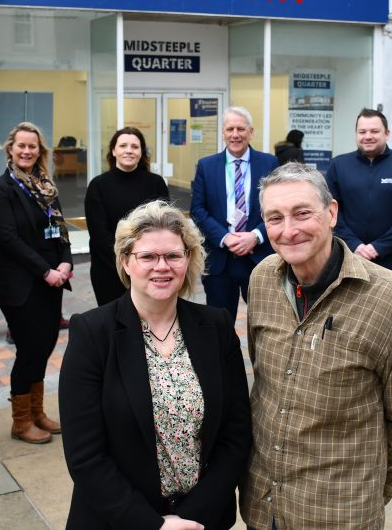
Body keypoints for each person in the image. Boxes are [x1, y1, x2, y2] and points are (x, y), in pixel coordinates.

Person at [242, 163, 392, 530]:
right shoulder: (262, 279)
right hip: (263, 503)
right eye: (275, 218)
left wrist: (372, 487)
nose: (289, 230)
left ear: (331, 213)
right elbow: (264, 379)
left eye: (302, 213)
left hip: (339, 512)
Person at [60, 200, 252, 530]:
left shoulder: (216, 326)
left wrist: (191, 517)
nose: (161, 266)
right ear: (125, 261)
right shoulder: (93, 333)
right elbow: (85, 456)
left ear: (188, 259)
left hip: (202, 521)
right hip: (118, 520)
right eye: (148, 256)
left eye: (173, 256)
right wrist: (154, 525)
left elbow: (236, 436)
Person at [0, 122, 73, 445]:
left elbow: (61, 229)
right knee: (30, 348)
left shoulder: (46, 187)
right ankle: (20, 421)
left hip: (50, 280)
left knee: (46, 343)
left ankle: (37, 412)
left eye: (32, 146)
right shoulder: (0, 190)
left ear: (40, 151)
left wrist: (65, 261)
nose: (26, 151)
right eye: (20, 146)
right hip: (19, 283)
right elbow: (8, 239)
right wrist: (45, 271)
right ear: (10, 149)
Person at [190, 106, 278, 321]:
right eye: (230, 129)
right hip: (220, 260)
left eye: (241, 129)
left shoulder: (270, 163)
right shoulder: (206, 166)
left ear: (251, 132)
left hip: (258, 257)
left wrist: (255, 236)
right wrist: (225, 237)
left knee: (265, 320)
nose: (235, 134)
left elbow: (279, 209)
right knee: (219, 324)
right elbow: (198, 210)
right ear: (223, 132)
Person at [325, 108, 392, 279]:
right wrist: (354, 245)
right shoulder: (338, 165)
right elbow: (330, 211)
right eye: (362, 131)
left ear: (387, 133)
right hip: (348, 259)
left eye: (374, 131)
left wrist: (379, 247)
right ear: (356, 134)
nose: (368, 136)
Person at [85, 127, 170, 305]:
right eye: (123, 145)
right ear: (114, 151)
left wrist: (144, 261)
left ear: (141, 152)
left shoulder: (156, 183)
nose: (129, 150)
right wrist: (128, 262)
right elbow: (99, 234)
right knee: (115, 325)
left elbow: (165, 228)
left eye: (134, 146)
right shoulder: (98, 186)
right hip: (110, 270)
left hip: (151, 268)